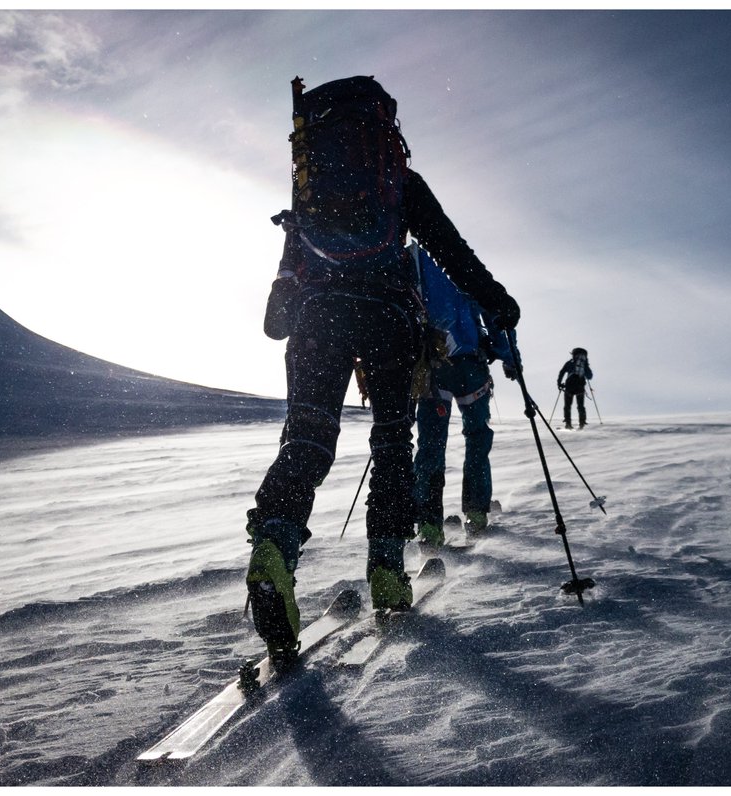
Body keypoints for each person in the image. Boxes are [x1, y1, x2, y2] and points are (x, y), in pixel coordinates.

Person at [246, 75, 520, 666]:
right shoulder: (396, 180)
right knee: (394, 442)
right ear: (385, 126)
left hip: (317, 321)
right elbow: (449, 248)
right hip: (388, 321)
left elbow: (277, 313)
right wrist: (496, 300)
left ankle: (274, 540)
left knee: (307, 439)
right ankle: (389, 570)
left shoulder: (308, 184)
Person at [409, 243, 517, 548]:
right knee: (477, 437)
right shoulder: (469, 279)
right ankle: (475, 511)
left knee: (430, 445)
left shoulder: (423, 271)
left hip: (435, 366)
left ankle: (429, 524)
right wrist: (510, 358)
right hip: (471, 368)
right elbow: (497, 321)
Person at [557, 348, 593, 429]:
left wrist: (559, 383)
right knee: (580, 406)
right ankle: (582, 424)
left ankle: (568, 424)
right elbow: (590, 376)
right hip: (580, 387)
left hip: (569, 386)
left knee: (567, 406)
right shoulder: (584, 365)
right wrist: (586, 366)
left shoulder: (570, 363)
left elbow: (561, 372)